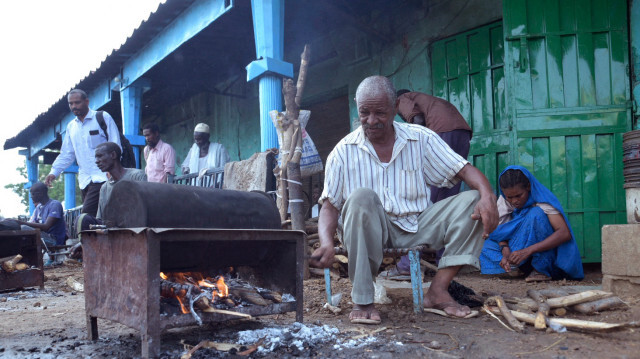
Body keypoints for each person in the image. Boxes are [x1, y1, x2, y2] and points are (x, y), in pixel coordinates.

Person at [310, 76, 498, 324]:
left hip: (417, 224)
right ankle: (363, 299)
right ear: (357, 106)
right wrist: (325, 241)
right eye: (364, 112)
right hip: (368, 231)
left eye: (380, 112)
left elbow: (463, 170)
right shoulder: (343, 151)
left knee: (472, 199)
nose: (372, 120)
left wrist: (487, 196)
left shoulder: (420, 138)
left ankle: (438, 290)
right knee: (361, 196)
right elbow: (330, 204)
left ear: (396, 105)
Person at [387, 90, 474, 278]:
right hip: (462, 135)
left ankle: (408, 265)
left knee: (424, 197)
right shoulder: (430, 100)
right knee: (447, 201)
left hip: (442, 134)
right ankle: (447, 260)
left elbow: (417, 121)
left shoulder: (402, 99)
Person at [479, 166, 584, 282]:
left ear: (528, 187)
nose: (514, 201)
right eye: (510, 197)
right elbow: (501, 233)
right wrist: (505, 249)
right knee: (483, 245)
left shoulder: (542, 200)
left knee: (536, 214)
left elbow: (564, 233)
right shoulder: (504, 201)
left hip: (544, 253)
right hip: (520, 249)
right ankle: (514, 267)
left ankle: (541, 270)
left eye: (519, 196)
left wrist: (528, 251)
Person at [45, 89, 121, 217]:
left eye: (77, 102)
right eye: (71, 103)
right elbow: (67, 154)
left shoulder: (102, 117)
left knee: (86, 216)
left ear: (86, 102)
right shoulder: (71, 127)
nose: (74, 106)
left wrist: (112, 170)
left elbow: (116, 145)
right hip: (85, 180)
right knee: (100, 218)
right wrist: (54, 172)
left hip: (104, 177)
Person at [70, 142, 147, 260]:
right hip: (111, 231)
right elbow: (101, 219)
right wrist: (85, 241)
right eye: (96, 157)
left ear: (113, 155)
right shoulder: (104, 188)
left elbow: (144, 209)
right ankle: (90, 253)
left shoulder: (137, 176)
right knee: (82, 219)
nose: (96, 161)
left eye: (100, 156)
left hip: (133, 229)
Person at [15, 182, 67, 248]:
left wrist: (21, 223)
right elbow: (32, 223)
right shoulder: (39, 207)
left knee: (23, 227)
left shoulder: (55, 205)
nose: (31, 196)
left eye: (33, 194)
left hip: (54, 240)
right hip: (43, 236)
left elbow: (46, 227)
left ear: (41, 194)